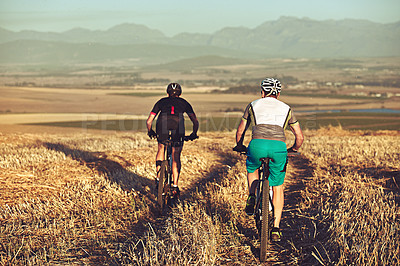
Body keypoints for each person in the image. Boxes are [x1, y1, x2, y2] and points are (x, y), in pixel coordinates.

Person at [233, 77, 304, 242]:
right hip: (278, 148)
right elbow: (299, 136)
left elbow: (240, 131)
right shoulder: (287, 108)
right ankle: (276, 227)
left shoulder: (253, 104)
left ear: (262, 92)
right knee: (278, 187)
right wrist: (293, 149)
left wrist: (239, 145)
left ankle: (252, 196)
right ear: (278, 94)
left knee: (252, 169)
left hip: (257, 145)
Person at [146, 83, 199, 200]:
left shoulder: (161, 101)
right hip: (178, 127)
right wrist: (194, 134)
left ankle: (159, 178)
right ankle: (175, 186)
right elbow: (195, 121)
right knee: (176, 155)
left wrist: (151, 131)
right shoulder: (184, 103)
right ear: (180, 93)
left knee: (161, 148)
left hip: (162, 126)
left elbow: (149, 121)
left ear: (167, 92)